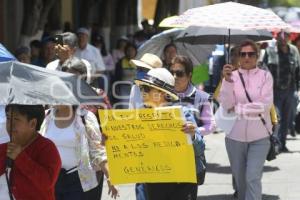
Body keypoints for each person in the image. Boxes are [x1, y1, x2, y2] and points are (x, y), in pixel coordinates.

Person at [133, 67, 203, 200]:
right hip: (153, 182)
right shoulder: (140, 117)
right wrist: (111, 139)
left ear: (162, 93)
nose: (142, 92)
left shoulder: (183, 113)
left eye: (146, 88)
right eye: (141, 88)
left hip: (181, 182)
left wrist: (193, 135)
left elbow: (200, 148)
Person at [220, 40, 273, 200]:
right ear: (238, 57)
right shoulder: (230, 77)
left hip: (260, 137)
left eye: (251, 54)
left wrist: (238, 109)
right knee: (241, 181)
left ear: (257, 56)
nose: (247, 57)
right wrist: (228, 81)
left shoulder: (265, 76)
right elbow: (226, 105)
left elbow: (264, 105)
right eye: (243, 54)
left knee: (252, 177)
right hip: (234, 138)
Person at [40, 105, 118, 200]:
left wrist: (110, 177)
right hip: (51, 179)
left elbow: (98, 151)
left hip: (78, 180)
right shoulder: (46, 116)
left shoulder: (85, 117)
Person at [0, 104, 61, 200]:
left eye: (16, 119)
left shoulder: (47, 148)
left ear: (32, 123)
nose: (10, 124)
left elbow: (47, 183)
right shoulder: (5, 148)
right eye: (8, 118)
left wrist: (20, 157)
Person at [263, 31, 300, 151]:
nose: (283, 38)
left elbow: (298, 70)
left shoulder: (294, 51)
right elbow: (263, 70)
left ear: (290, 38)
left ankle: (283, 144)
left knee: (288, 117)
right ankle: (276, 144)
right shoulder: (270, 51)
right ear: (277, 37)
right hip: (275, 91)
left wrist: (298, 90)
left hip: (290, 90)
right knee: (277, 118)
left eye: (286, 36)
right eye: (281, 36)